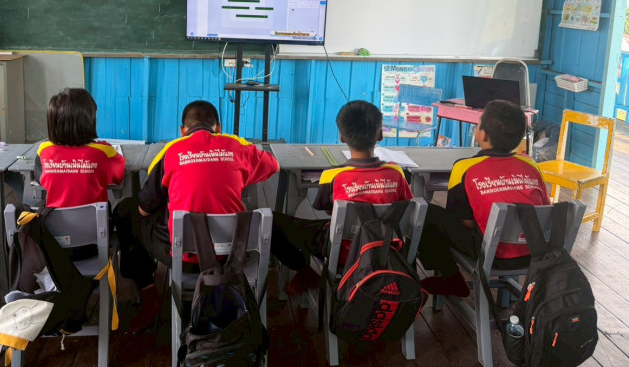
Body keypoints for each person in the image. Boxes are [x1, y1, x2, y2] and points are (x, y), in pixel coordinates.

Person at [113, 100, 279, 332]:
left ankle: (147, 291)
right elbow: (273, 165)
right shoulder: (237, 148)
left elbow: (143, 210)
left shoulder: (172, 152)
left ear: (182, 131)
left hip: (186, 259)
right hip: (233, 257)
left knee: (126, 211)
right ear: (219, 128)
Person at [271, 100, 414, 295]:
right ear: (380, 134)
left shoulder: (333, 175)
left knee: (272, 222)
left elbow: (330, 211)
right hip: (387, 248)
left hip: (343, 251)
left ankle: (304, 271)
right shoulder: (397, 173)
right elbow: (404, 205)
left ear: (342, 137)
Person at [418, 100, 550, 297]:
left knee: (426, 212)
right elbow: (545, 210)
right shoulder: (531, 164)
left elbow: (465, 222)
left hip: (492, 254)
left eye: (478, 124)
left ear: (484, 135)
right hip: (533, 252)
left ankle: (452, 277)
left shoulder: (464, 167)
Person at [34, 87, 125, 208]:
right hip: (94, 219)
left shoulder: (44, 150)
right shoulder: (104, 152)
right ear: (88, 121)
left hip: (54, 219)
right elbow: (118, 176)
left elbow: (39, 178)